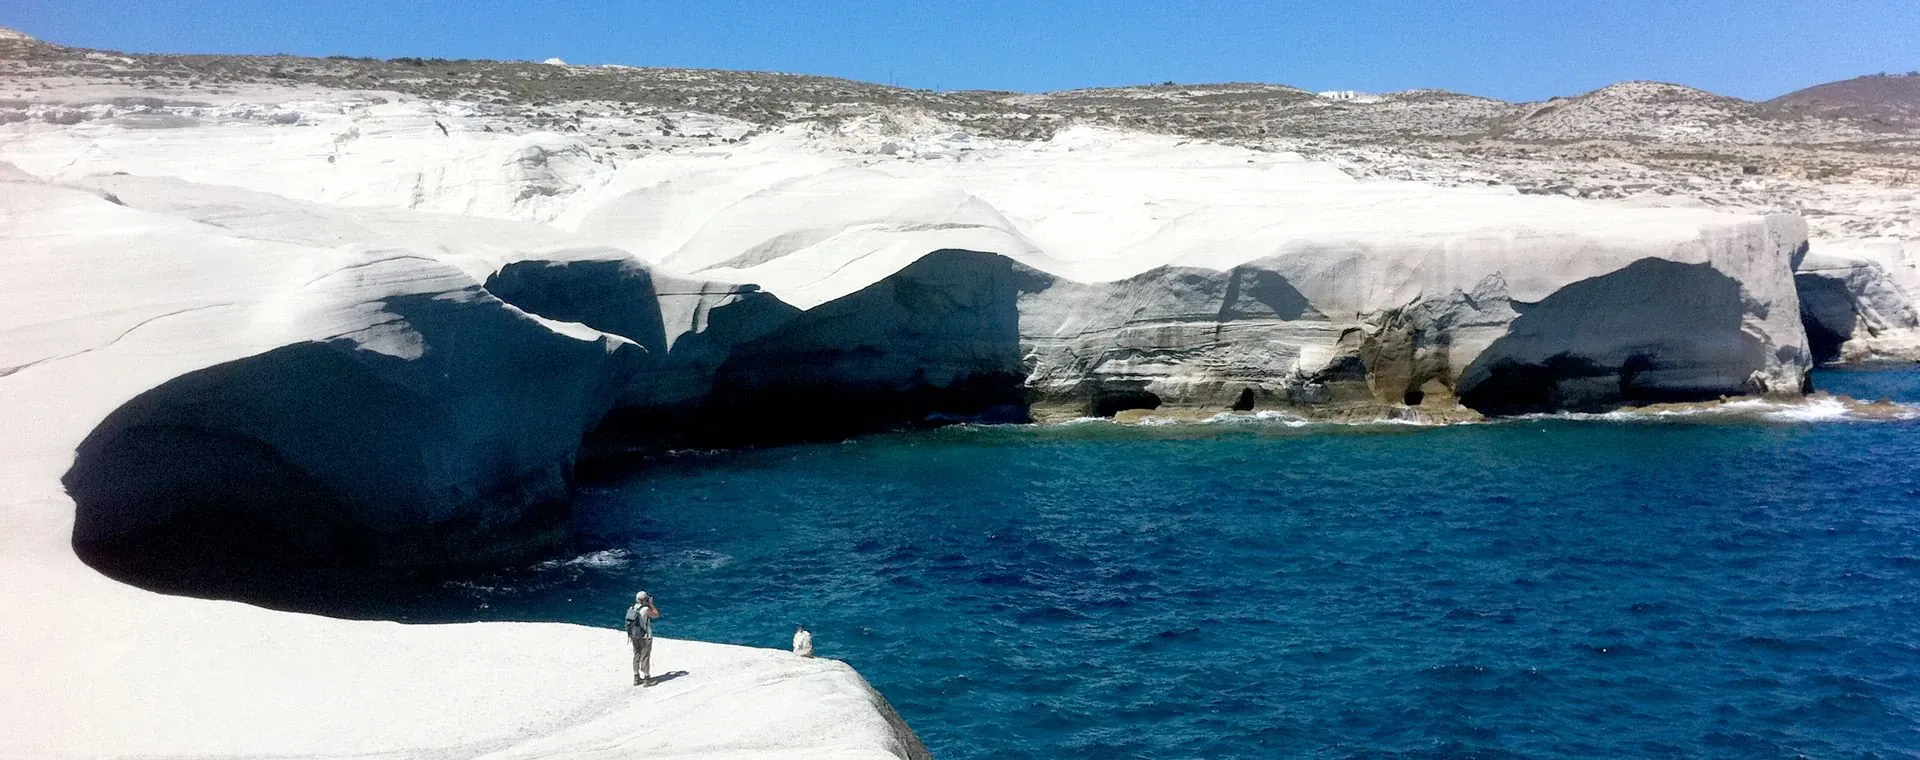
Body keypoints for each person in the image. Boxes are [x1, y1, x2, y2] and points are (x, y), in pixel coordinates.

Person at [625, 591, 661, 686]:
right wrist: (651, 604)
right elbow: (656, 614)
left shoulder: (631, 608)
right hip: (645, 636)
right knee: (645, 657)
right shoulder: (646, 609)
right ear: (645, 599)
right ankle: (646, 679)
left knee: (636, 655)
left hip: (634, 635)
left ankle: (636, 678)